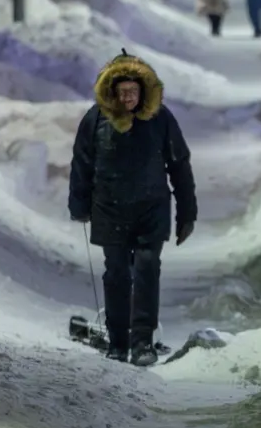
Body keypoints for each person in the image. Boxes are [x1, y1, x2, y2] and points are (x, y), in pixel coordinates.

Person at [68, 51, 197, 367]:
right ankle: (118, 342)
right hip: (108, 209)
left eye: (133, 92)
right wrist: (79, 205)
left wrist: (187, 213)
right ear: (112, 92)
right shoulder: (95, 119)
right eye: (122, 92)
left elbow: (179, 165)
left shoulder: (161, 119)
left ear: (143, 91)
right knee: (117, 275)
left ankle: (142, 343)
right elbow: (82, 164)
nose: (127, 98)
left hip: (151, 210)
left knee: (147, 270)